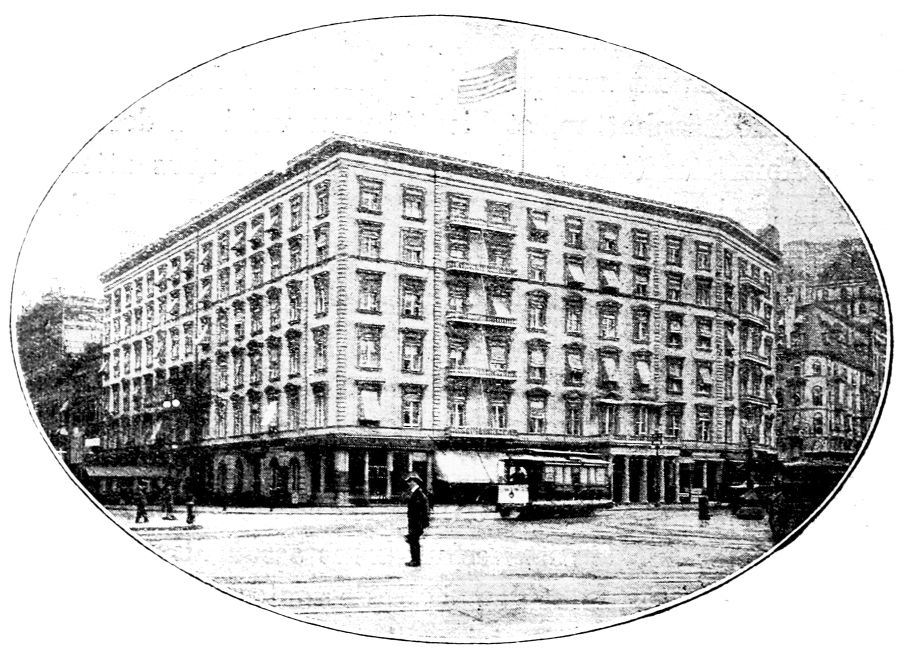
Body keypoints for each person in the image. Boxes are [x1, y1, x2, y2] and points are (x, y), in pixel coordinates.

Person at [404, 473, 430, 567]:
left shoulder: (418, 494)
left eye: (410, 481)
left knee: (414, 541)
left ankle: (415, 561)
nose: (408, 483)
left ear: (415, 482)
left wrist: (422, 523)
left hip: (416, 522)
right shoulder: (415, 492)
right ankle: (414, 559)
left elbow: (421, 510)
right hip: (414, 521)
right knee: (413, 540)